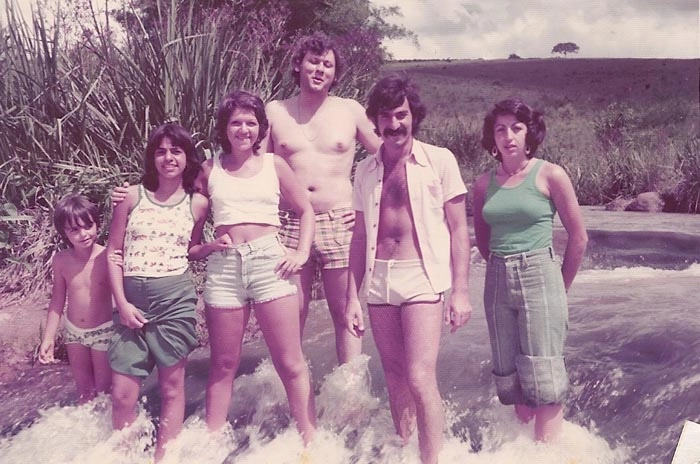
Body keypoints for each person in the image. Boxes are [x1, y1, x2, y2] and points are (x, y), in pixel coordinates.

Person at [344, 75, 473, 464]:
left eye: (401, 114)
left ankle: (432, 459)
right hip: (379, 280)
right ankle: (407, 452)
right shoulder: (364, 171)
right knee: (395, 377)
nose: (395, 124)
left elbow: (458, 230)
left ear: (413, 115)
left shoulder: (440, 159)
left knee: (419, 377)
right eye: (386, 117)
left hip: (421, 276)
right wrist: (352, 296)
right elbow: (360, 237)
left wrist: (461, 291)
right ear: (375, 121)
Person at [188, 90, 316, 443]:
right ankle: (211, 446)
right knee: (222, 366)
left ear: (261, 128)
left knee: (290, 363)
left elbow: (306, 210)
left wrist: (301, 253)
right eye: (236, 123)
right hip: (224, 270)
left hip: (269, 265)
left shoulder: (274, 164)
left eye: (250, 122)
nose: (243, 129)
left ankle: (311, 443)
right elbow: (192, 243)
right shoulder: (209, 168)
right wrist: (211, 245)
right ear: (224, 128)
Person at [471, 98, 588, 441]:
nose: (508, 136)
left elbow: (579, 238)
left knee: (545, 379)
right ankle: (522, 453)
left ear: (529, 133)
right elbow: (482, 240)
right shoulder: (482, 184)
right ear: (492, 137)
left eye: (516, 128)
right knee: (510, 378)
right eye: (500, 129)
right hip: (496, 278)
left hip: (541, 274)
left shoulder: (550, 174)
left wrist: (557, 289)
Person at [264, 32, 382, 364]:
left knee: (345, 310)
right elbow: (256, 169)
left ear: (335, 72)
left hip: (340, 220)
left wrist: (370, 210)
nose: (320, 69)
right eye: (314, 61)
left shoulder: (350, 110)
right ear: (298, 65)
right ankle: (289, 398)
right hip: (288, 224)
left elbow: (389, 158)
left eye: (327, 64)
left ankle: (349, 396)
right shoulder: (275, 112)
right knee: (292, 313)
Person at [106, 123, 207, 461]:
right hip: (129, 302)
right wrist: (121, 304)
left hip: (174, 301)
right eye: (160, 151)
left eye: (176, 150)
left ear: (187, 157)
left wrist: (213, 247)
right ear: (152, 157)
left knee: (172, 388)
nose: (168, 157)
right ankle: (126, 456)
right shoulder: (131, 196)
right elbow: (114, 252)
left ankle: (164, 459)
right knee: (122, 394)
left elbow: (192, 250)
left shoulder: (198, 205)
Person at [38, 193, 114, 403]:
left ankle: (107, 432)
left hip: (103, 332)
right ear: (65, 233)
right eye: (74, 230)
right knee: (84, 391)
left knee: (104, 390)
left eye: (88, 226)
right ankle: (84, 433)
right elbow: (57, 302)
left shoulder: (106, 256)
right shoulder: (61, 260)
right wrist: (49, 338)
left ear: (97, 224)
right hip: (74, 333)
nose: (83, 234)